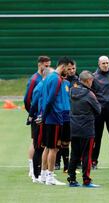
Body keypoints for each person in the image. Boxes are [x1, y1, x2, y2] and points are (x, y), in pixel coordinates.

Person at [37, 57, 73, 186]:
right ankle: (50, 177)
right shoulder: (56, 79)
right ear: (63, 67)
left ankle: (43, 175)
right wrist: (44, 115)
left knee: (48, 147)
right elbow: (50, 99)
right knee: (54, 148)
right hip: (55, 117)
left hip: (51, 117)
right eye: (68, 69)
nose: (69, 72)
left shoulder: (51, 77)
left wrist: (43, 115)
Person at [67, 70, 101, 188]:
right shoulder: (89, 94)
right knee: (87, 155)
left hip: (74, 127)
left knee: (74, 154)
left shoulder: (71, 91)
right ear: (87, 81)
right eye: (91, 81)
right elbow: (98, 110)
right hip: (87, 128)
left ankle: (72, 179)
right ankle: (86, 180)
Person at [24, 56, 51, 179]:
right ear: (39, 65)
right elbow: (28, 99)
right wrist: (33, 113)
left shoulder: (44, 79)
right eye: (45, 65)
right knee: (36, 142)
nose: (47, 67)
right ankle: (33, 169)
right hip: (37, 116)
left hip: (42, 116)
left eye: (48, 65)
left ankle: (38, 169)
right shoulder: (35, 79)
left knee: (39, 142)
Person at [29, 67, 54, 183]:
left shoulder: (45, 86)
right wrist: (32, 116)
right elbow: (34, 104)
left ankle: (39, 174)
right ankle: (36, 175)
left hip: (43, 119)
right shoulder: (40, 87)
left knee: (42, 146)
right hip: (38, 120)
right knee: (38, 147)